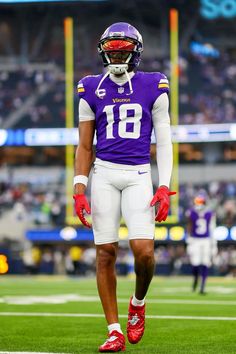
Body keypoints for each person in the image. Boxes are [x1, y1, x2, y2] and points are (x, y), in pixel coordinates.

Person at [73, 22, 175, 352]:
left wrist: (164, 186)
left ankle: (138, 303)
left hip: (138, 174)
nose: (117, 53)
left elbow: (165, 139)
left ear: (136, 51)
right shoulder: (89, 87)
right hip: (103, 173)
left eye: (123, 47)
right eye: (112, 47)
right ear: (103, 50)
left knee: (144, 252)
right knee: (105, 253)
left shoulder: (154, 84)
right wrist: (79, 188)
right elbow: (85, 146)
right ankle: (114, 330)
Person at [186, 192, 217, 294]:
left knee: (205, 263)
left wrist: (214, 245)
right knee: (195, 264)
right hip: (195, 240)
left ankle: (202, 286)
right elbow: (189, 227)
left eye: (201, 201)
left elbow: (212, 229)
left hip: (206, 240)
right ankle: (195, 279)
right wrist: (188, 240)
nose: (199, 203)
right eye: (197, 201)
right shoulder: (191, 212)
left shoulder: (210, 214)